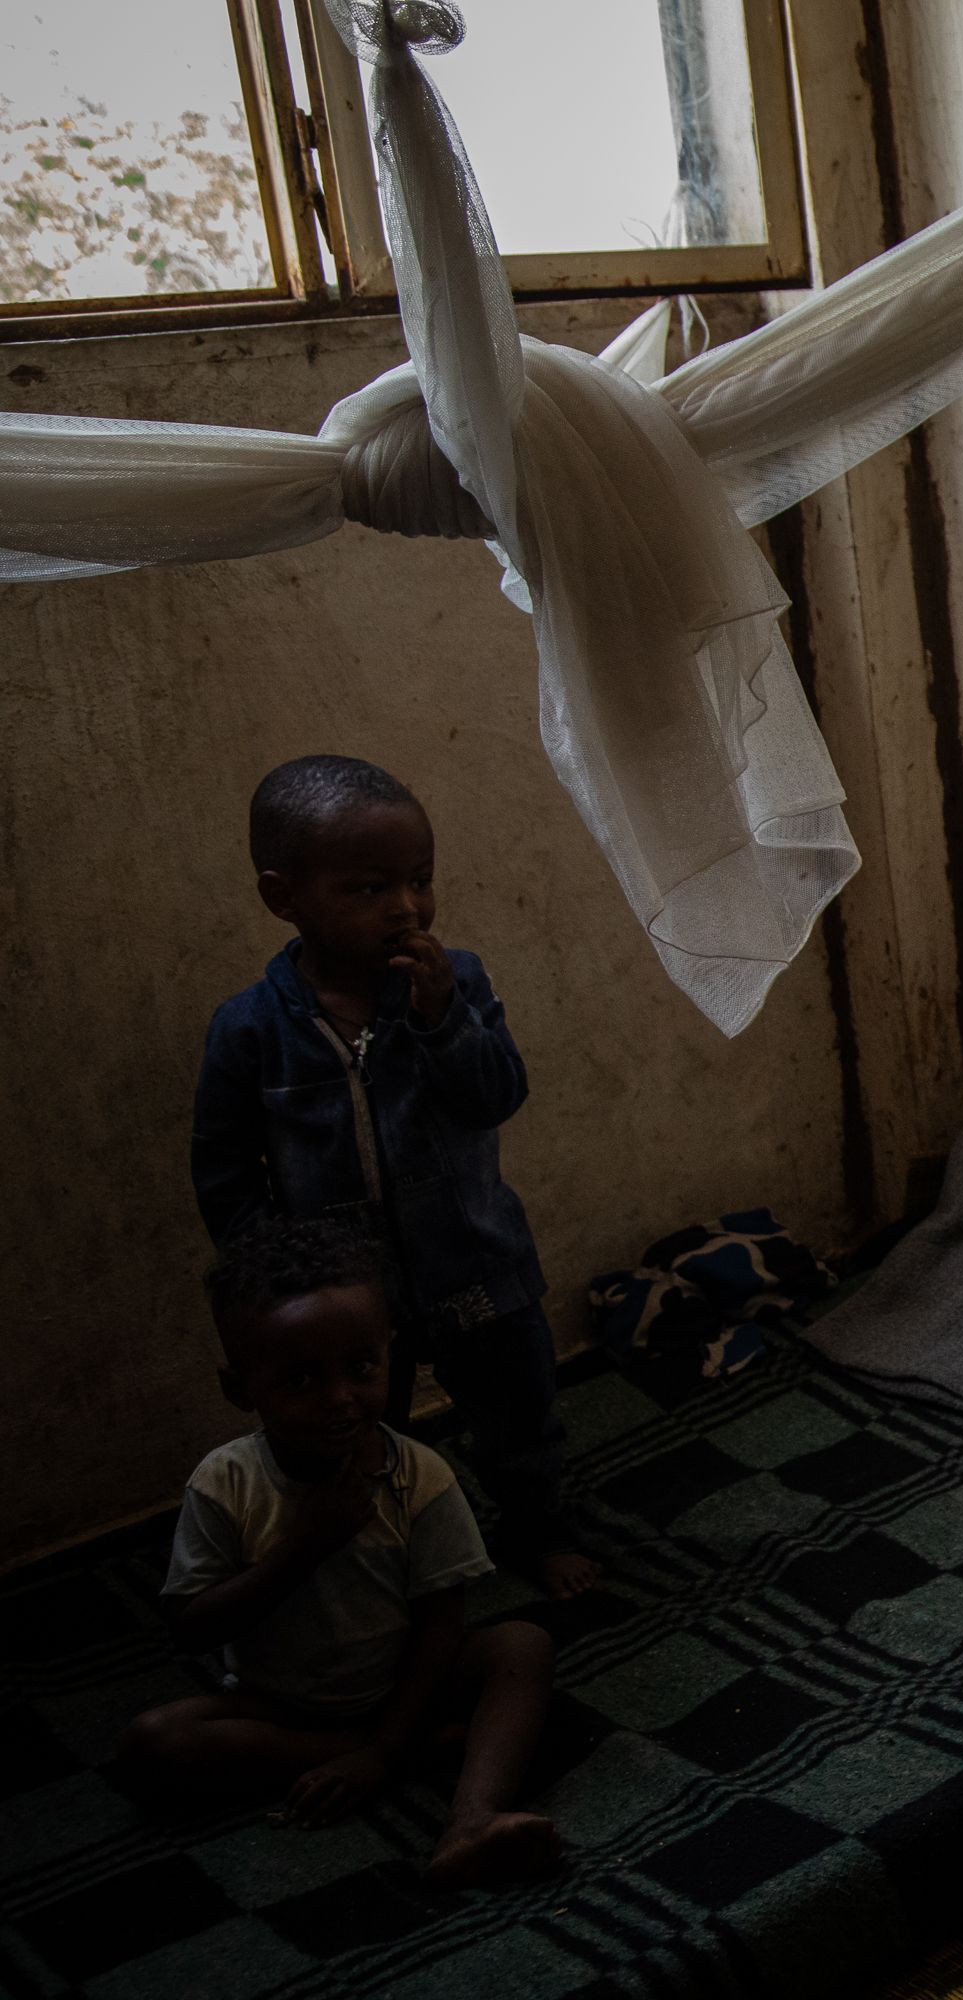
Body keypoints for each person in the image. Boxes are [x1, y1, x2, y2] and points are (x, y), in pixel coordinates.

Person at [192, 754, 598, 1597]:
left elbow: (497, 1096)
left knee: (518, 1411)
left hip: (473, 1259)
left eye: (420, 880)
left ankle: (539, 1527)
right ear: (283, 897)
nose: (407, 907)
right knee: (357, 1430)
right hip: (345, 1294)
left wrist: (442, 1018)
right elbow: (225, 1167)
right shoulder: (249, 1030)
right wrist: (274, 1277)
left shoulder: (457, 983)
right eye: (369, 889)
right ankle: (379, 1555)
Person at [117, 1218, 562, 1887]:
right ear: (242, 1390)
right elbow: (190, 1626)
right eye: (299, 1379)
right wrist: (306, 1546)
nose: (339, 1399)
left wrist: (386, 1739)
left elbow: (442, 1623)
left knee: (523, 1645)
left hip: (404, 1683)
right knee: (151, 1746)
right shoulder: (224, 1484)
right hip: (280, 1706)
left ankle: (472, 1817)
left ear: (392, 1354)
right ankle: (387, 1754)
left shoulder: (420, 1477)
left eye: (360, 1368)